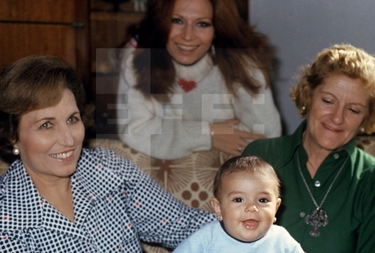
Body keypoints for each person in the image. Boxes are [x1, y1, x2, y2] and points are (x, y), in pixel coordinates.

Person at [0, 55, 215, 252]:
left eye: (72, 119)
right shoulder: (7, 220)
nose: (69, 140)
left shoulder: (107, 169)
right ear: (12, 135)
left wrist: (243, 229)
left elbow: (183, 225)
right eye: (46, 125)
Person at [242, 44, 375, 253]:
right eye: (328, 101)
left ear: (366, 117)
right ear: (308, 95)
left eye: (353, 110)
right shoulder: (261, 156)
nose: (337, 118)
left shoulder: (371, 178)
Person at [116, 0, 281, 160]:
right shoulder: (138, 58)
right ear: (161, 22)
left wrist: (168, 134)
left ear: (217, 28)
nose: (187, 36)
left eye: (202, 24)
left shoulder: (241, 63)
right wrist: (208, 134)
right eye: (177, 21)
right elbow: (134, 130)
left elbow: (266, 138)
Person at [173, 156, 304, 252]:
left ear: (276, 208)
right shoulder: (206, 239)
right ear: (218, 208)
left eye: (262, 200)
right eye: (238, 199)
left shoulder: (281, 240)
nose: (252, 208)